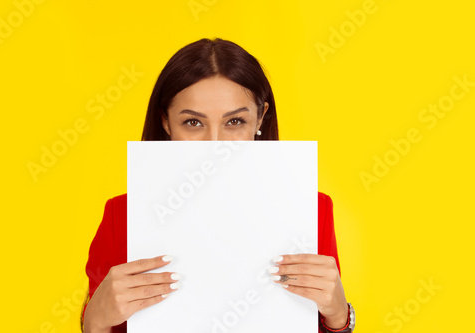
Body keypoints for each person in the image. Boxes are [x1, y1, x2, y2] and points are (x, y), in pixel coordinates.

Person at [81, 37, 355, 333]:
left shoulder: (313, 210)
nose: (216, 144)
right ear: (166, 122)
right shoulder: (121, 215)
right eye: (194, 123)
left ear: (260, 118)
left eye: (235, 121)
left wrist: (339, 316)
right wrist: (95, 323)